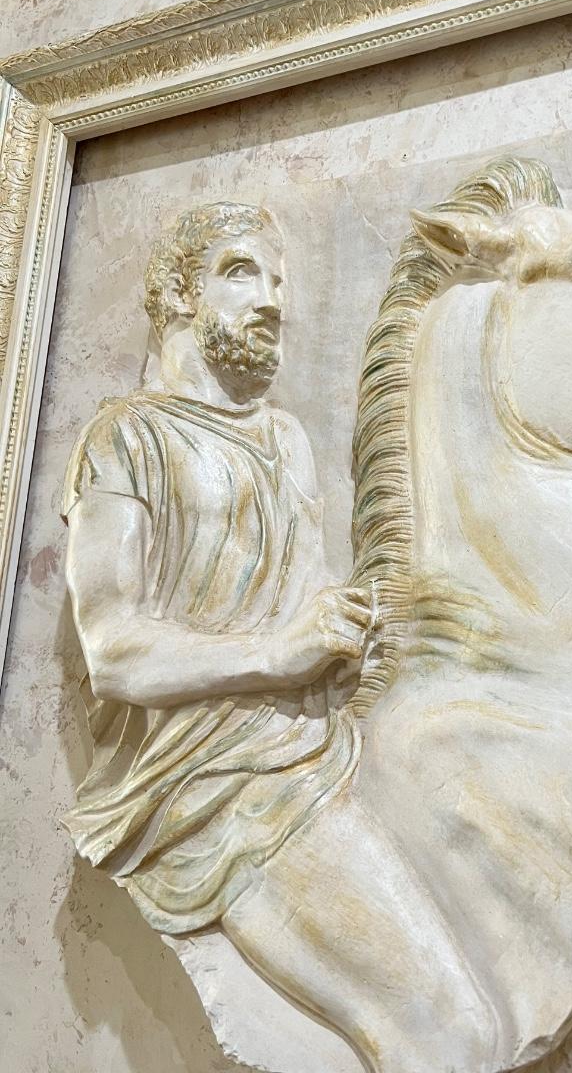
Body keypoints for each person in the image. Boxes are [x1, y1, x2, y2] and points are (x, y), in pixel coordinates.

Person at [62, 201, 373, 933]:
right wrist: (276, 654)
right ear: (179, 292)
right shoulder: (125, 438)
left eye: (277, 282)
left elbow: (306, 594)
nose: (272, 303)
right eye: (241, 273)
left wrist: (348, 627)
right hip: (197, 787)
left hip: (311, 745)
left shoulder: (286, 439)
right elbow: (111, 651)